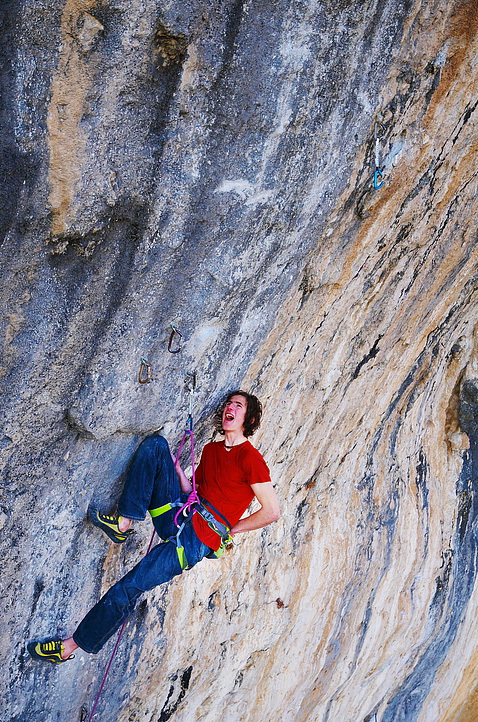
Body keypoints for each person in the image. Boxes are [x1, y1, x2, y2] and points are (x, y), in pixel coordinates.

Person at [28, 390, 280, 663]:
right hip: (178, 516)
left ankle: (67, 648)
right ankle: (123, 523)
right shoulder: (211, 450)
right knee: (156, 446)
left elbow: (272, 511)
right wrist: (174, 468)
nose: (230, 408)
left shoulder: (250, 459)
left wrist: (231, 529)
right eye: (229, 403)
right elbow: (192, 489)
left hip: (192, 543)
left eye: (238, 406)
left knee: (128, 587)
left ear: (249, 418)